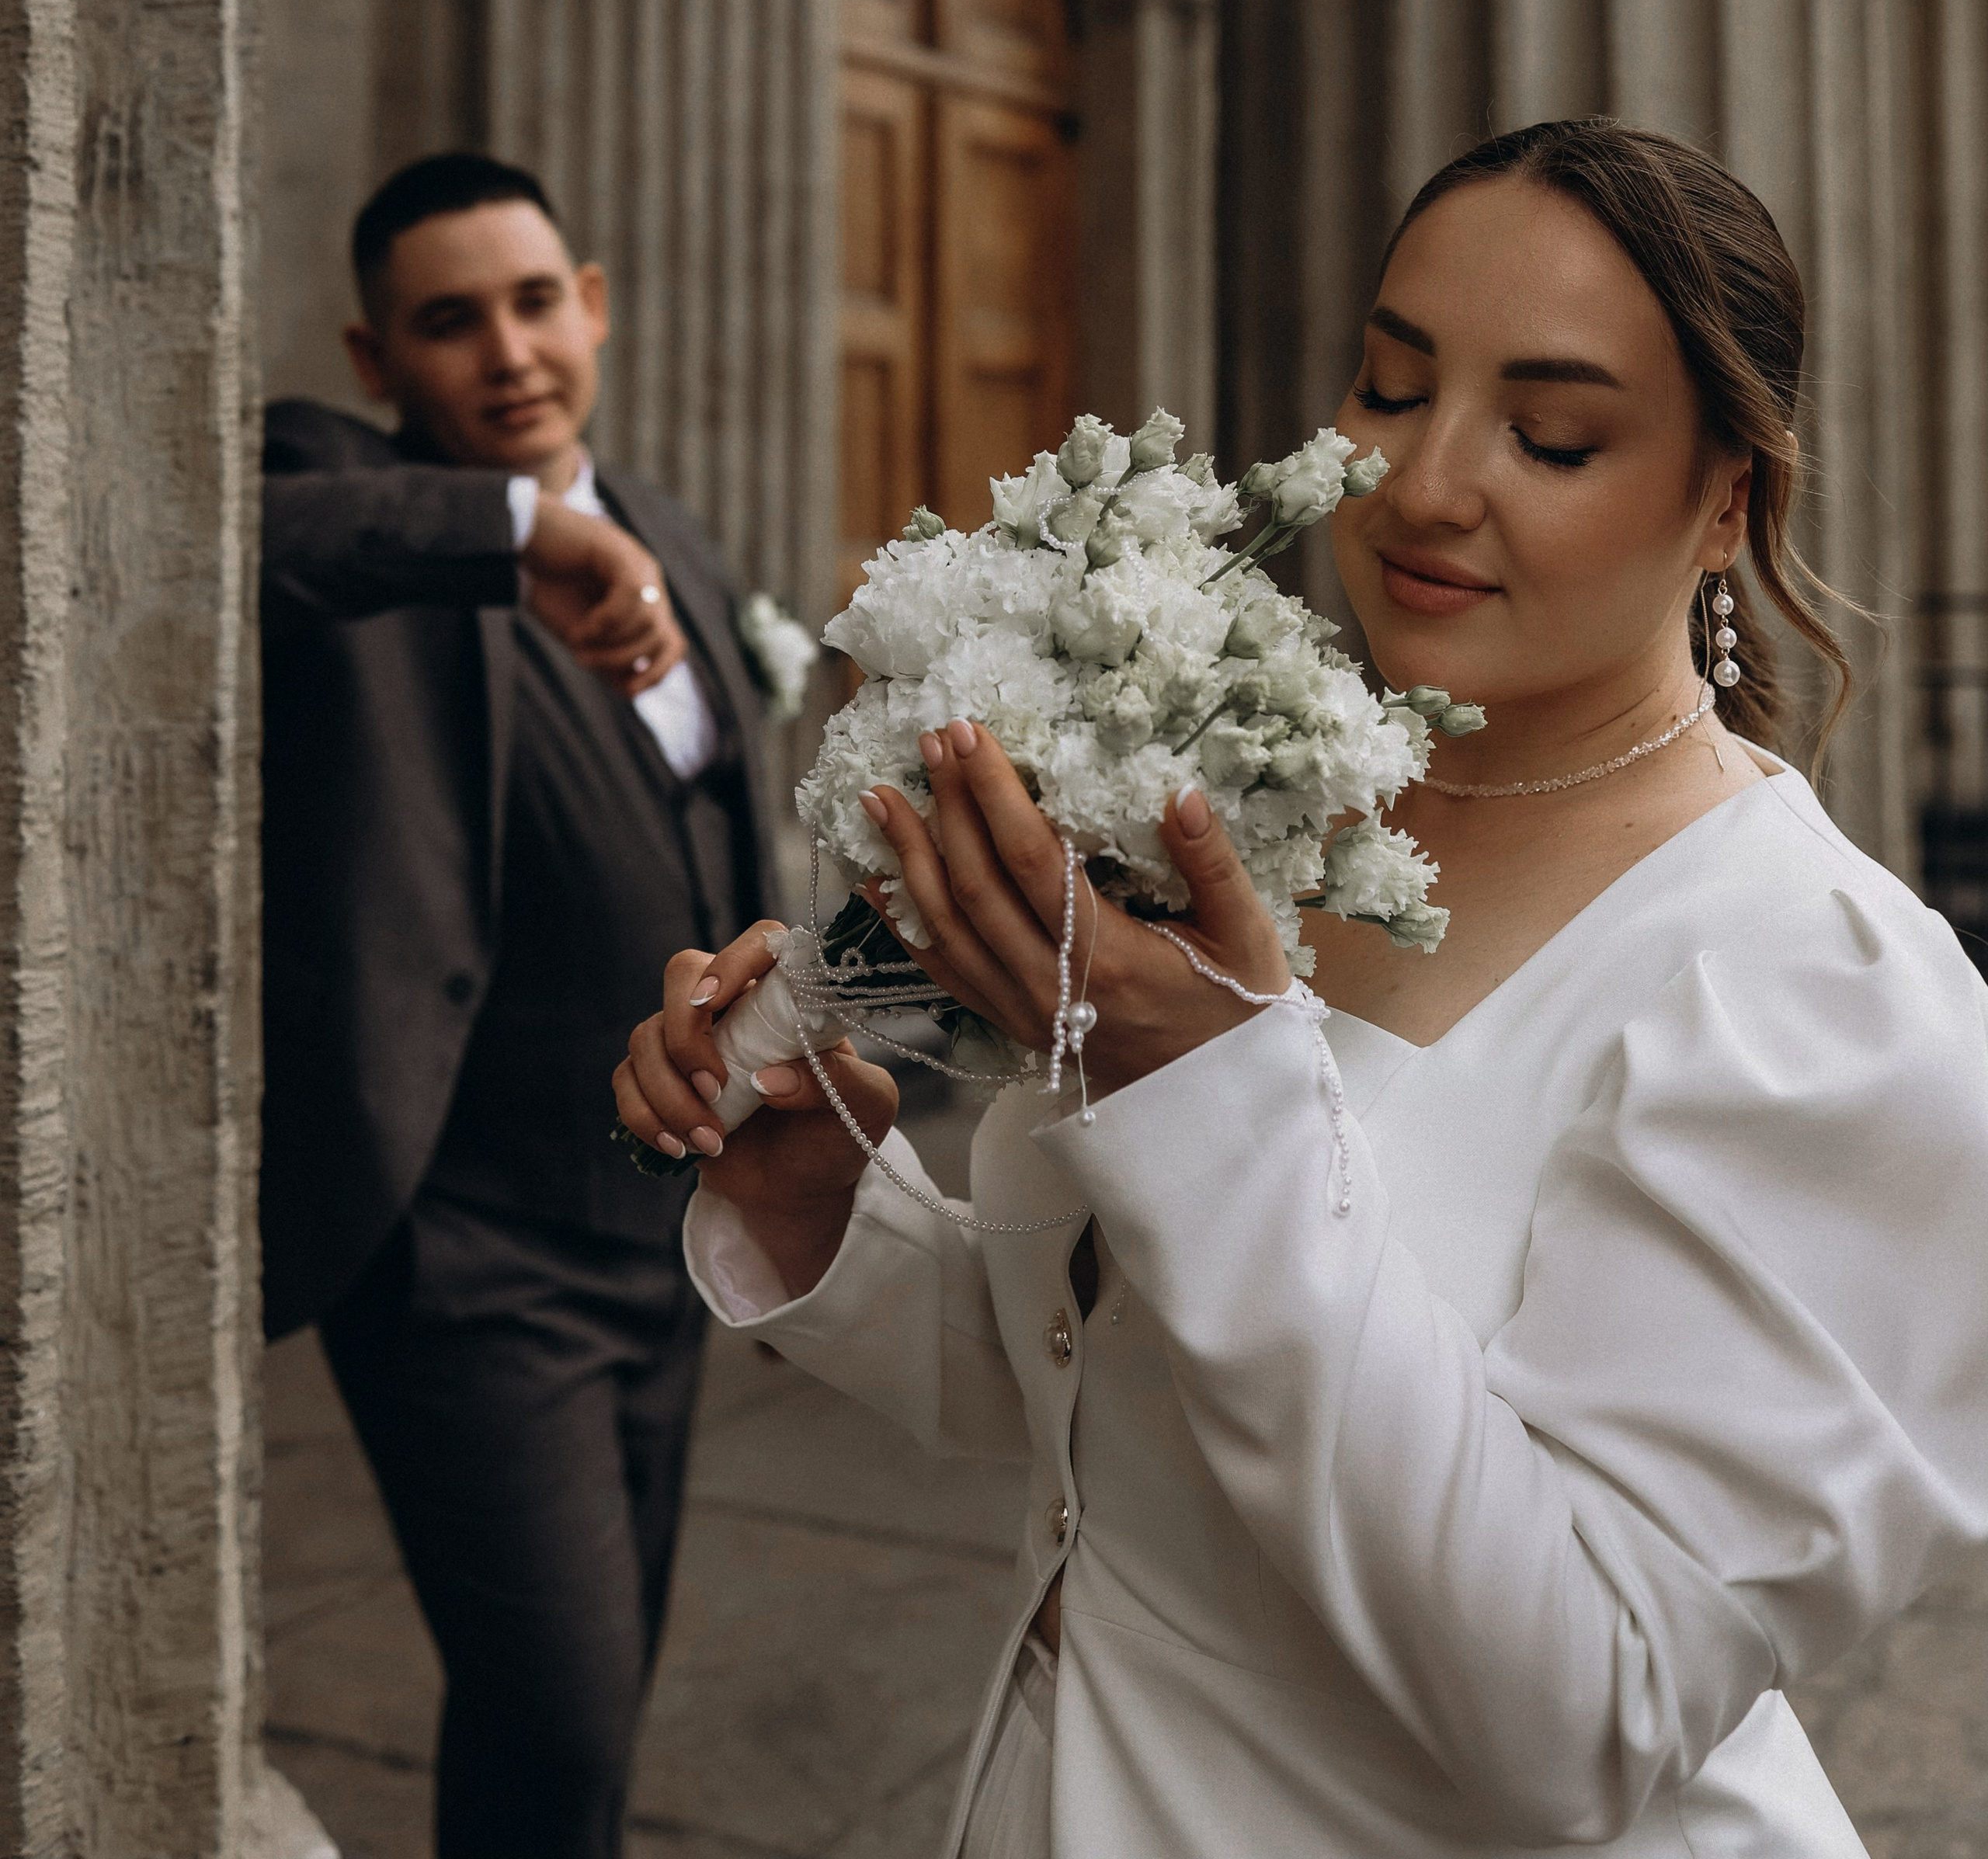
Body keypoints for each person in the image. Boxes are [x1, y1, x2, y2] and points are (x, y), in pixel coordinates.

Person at [617, 118, 1988, 1859]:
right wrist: (827, 1206)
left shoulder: (1817, 991)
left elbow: (1577, 1711)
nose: (1420, 486)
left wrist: (1207, 1092)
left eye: (1550, 435)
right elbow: (1118, 1406)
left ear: (1728, 494)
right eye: (1389, 386)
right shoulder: (1259, 819)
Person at [262, 151, 775, 1859]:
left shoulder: (682, 542)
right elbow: (250, 539)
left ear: (597, 306)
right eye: (448, 320)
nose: (507, 352)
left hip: (665, 1237)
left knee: (590, 1720)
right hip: (470, 1261)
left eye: (536, 300)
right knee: (554, 1720)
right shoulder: (351, 498)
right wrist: (510, 531)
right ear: (372, 358)